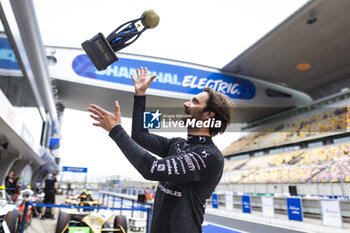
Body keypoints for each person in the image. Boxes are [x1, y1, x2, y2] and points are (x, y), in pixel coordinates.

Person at [88, 67, 234, 233]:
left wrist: (116, 131)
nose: (186, 104)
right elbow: (140, 136)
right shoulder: (178, 144)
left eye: (194, 102)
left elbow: (152, 169)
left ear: (208, 115)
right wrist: (140, 96)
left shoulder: (211, 157)